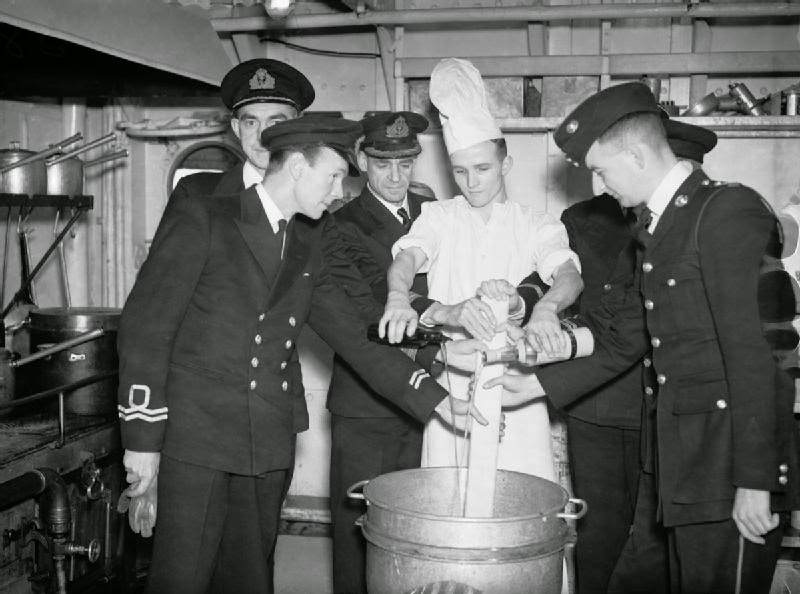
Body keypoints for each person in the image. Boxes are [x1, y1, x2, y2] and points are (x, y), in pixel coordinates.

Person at [117, 115, 488, 594]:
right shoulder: (206, 217)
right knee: (181, 579)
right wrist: (142, 443)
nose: (339, 191)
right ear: (295, 167)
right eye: (333, 175)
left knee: (250, 578)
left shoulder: (309, 239)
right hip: (197, 440)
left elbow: (357, 335)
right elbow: (147, 330)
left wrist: (436, 400)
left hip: (267, 439)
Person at [486, 82, 799, 593]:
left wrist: (756, 482)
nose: (601, 186)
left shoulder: (724, 212)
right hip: (676, 459)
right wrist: (539, 386)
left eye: (602, 170)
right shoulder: (658, 228)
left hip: (727, 467)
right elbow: (628, 335)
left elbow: (757, 357)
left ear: (633, 154)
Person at [482, 117, 719, 594]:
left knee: (662, 537)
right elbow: (554, 277)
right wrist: (529, 305)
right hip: (597, 398)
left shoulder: (693, 225)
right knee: (602, 531)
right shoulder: (583, 220)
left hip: (662, 405)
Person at [380, 58, 583, 479]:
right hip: (453, 380)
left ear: (505, 165)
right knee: (446, 495)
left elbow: (568, 275)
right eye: (460, 172)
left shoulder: (536, 223)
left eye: (483, 169)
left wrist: (545, 308)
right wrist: (398, 297)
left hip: (518, 385)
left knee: (521, 499)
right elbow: (406, 258)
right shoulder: (438, 217)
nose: (471, 183)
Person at [323, 110, 435, 594]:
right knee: (360, 529)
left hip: (425, 400)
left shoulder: (434, 215)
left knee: (413, 529)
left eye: (406, 164)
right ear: (360, 161)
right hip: (365, 404)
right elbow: (372, 309)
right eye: (383, 164)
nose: (396, 177)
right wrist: (455, 319)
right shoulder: (339, 226)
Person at [169, 58, 314, 200]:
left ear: (297, 127)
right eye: (251, 123)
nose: (262, 137)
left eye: (275, 123)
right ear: (237, 128)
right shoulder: (194, 194)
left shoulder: (325, 197)